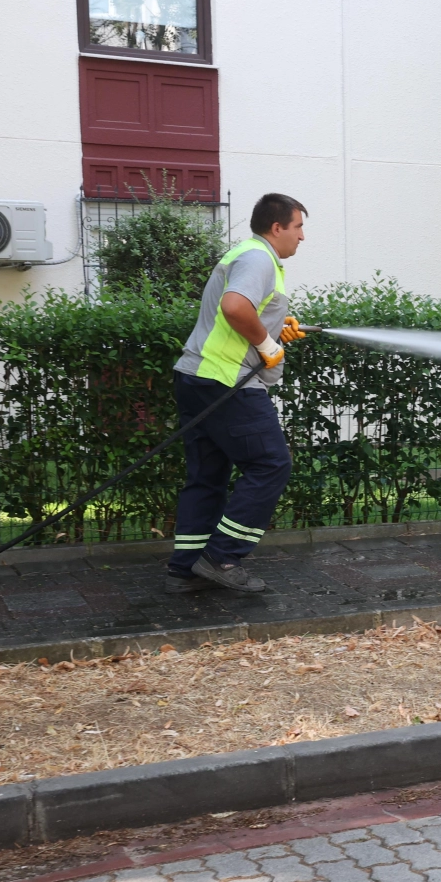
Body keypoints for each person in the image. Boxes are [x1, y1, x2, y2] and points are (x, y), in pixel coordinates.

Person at [165, 193, 310, 594]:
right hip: (226, 383)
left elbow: (240, 314)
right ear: (276, 227)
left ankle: (186, 568)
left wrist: (274, 327)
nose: (302, 237)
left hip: (197, 377)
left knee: (207, 476)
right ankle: (221, 557)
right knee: (271, 464)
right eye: (298, 227)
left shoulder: (246, 255)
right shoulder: (259, 258)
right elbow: (233, 307)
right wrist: (266, 344)